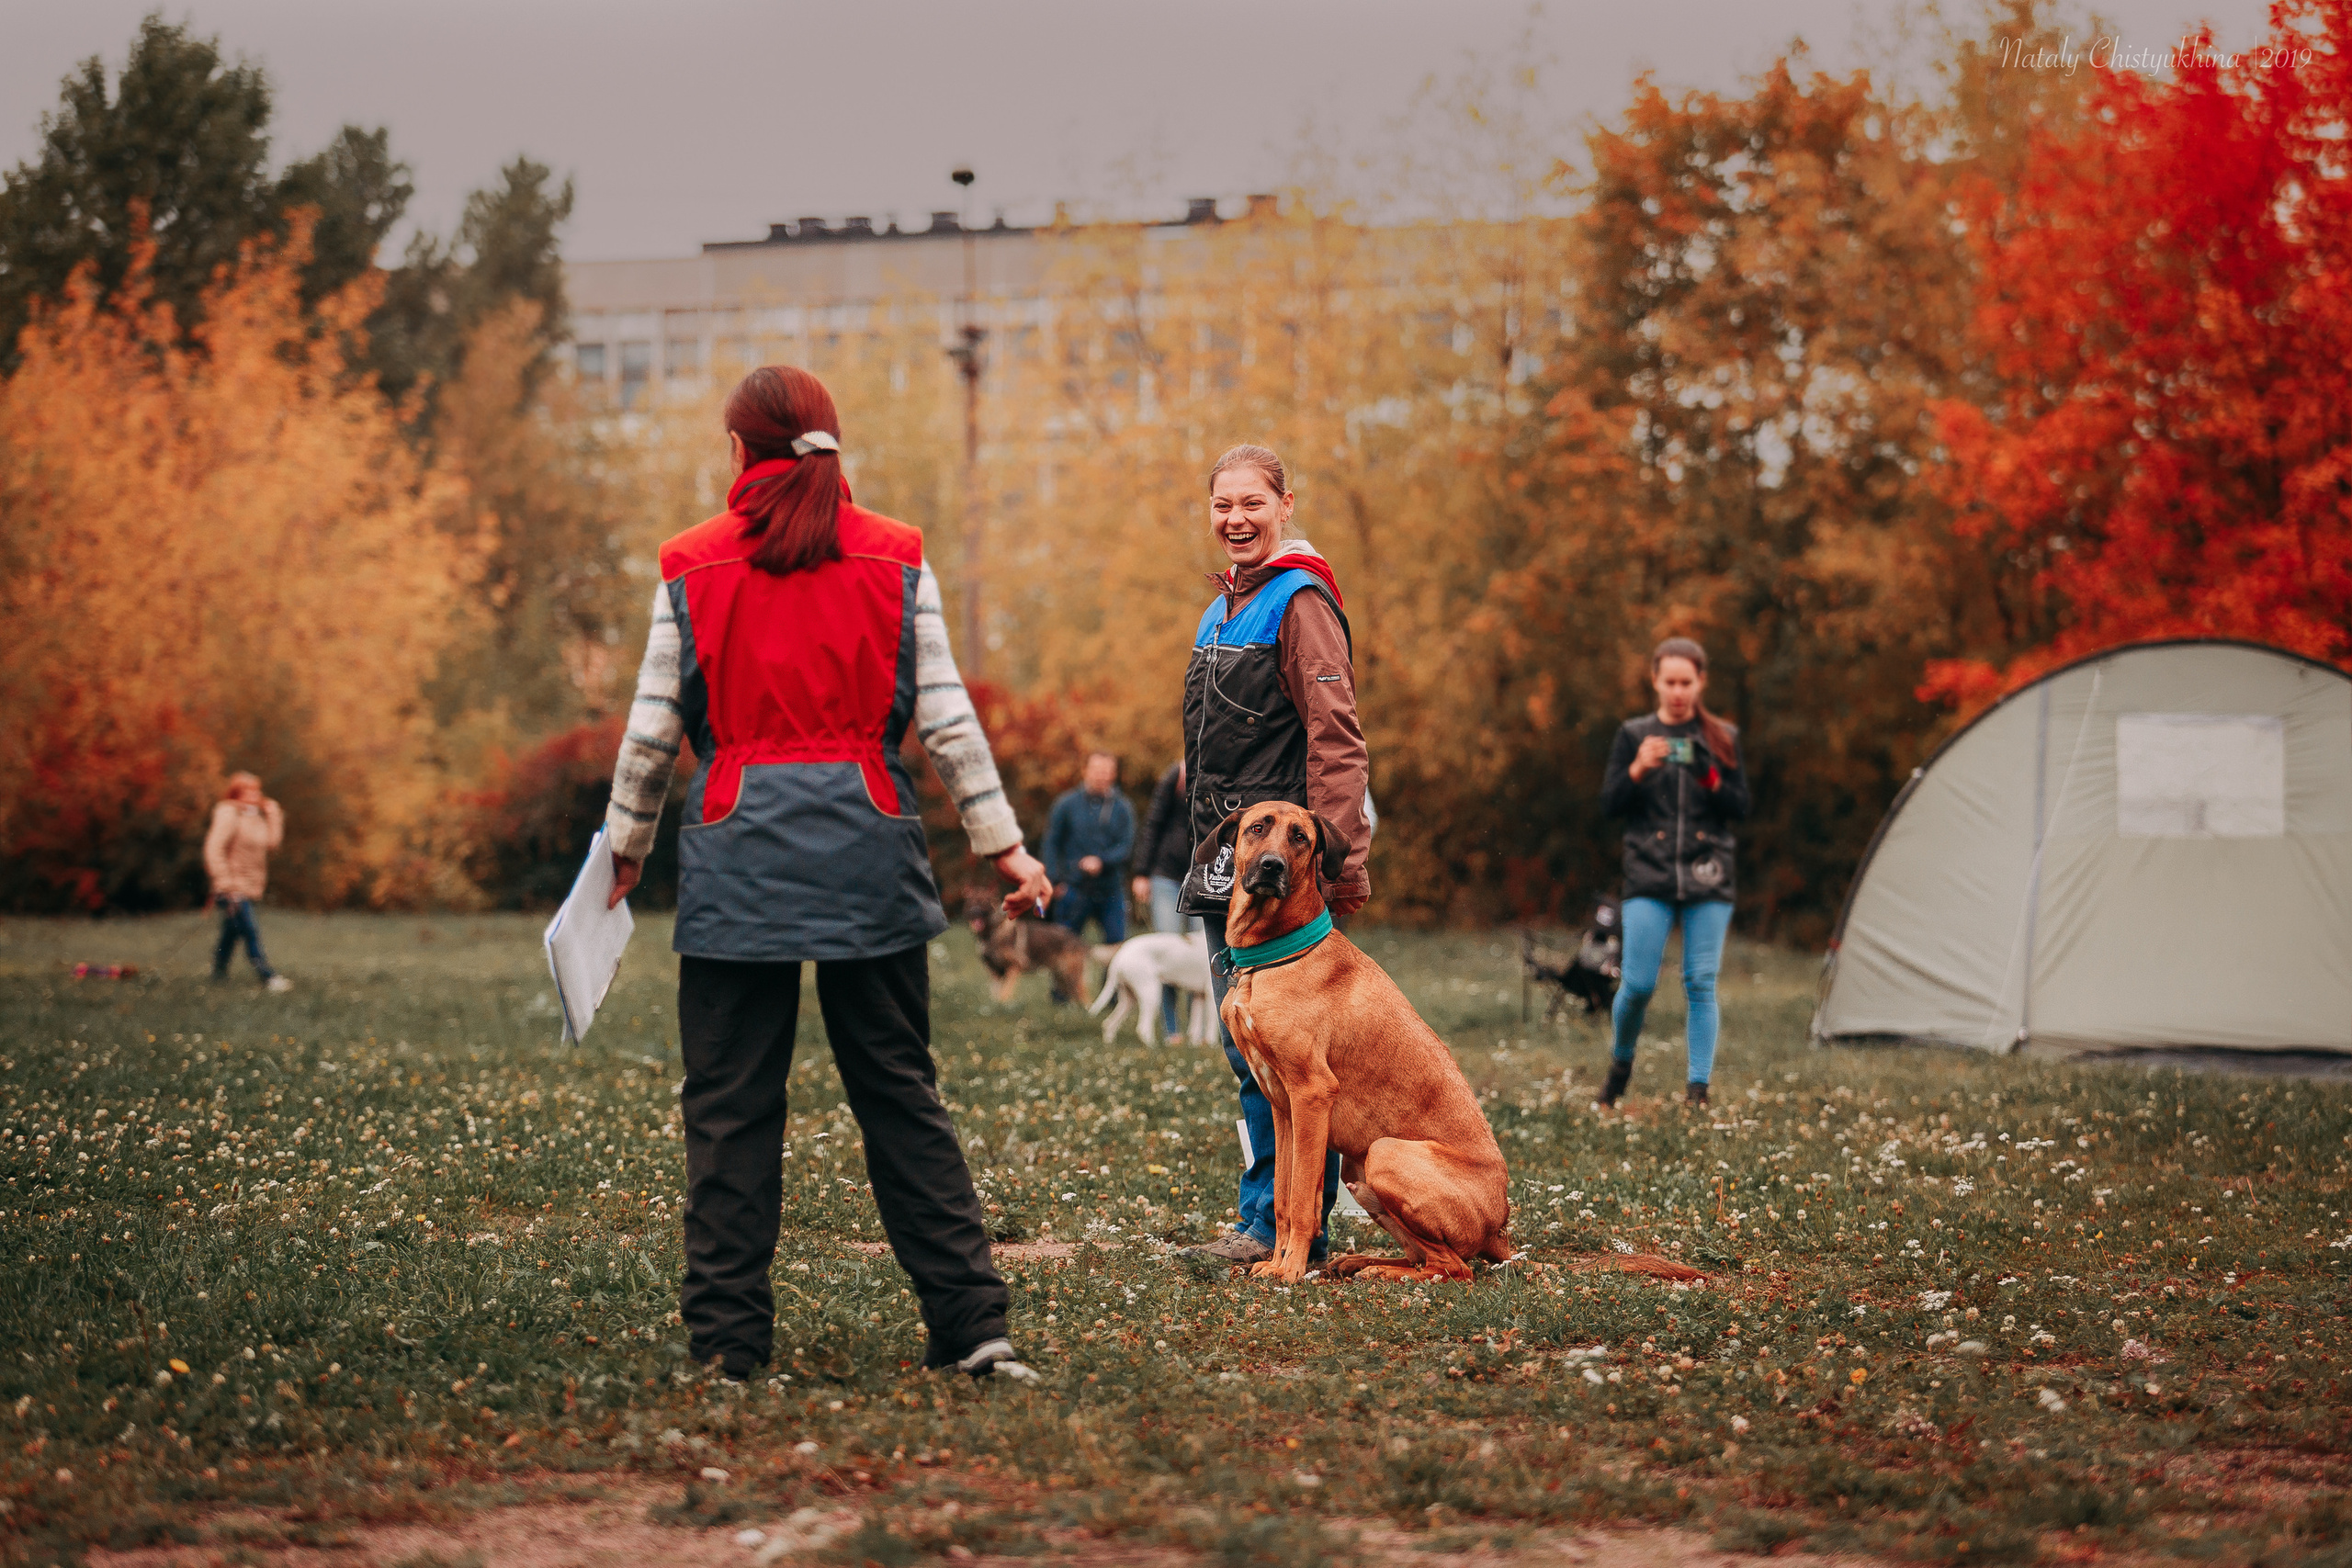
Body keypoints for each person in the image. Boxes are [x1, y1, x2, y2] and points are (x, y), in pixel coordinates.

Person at [601, 365, 1054, 1383]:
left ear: (737, 454)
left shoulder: (689, 565)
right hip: (871, 854)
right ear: (831, 448)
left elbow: (646, 740)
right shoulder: (898, 558)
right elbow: (945, 720)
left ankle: (728, 1349)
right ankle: (975, 1331)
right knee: (900, 1094)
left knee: (728, 1109)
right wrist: (1004, 846)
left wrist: (625, 850)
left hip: (735, 859)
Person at [1178, 444, 1371, 1267]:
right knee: (1245, 1043)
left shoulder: (1299, 603)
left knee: (1285, 1050)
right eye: (1223, 505)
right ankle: (1272, 1215)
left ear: (1287, 504)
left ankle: (1288, 1228)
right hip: (1223, 863)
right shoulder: (1221, 607)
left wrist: (1336, 857)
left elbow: (1336, 740)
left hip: (1279, 872)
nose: (1236, 519)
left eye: (1253, 502)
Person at [1595, 636, 1751, 1109]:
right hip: (1649, 872)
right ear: (1656, 682)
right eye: (1670, 682)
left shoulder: (1723, 738)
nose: (1679, 691)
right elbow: (1609, 805)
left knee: (1700, 981)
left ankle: (1697, 1090)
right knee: (1638, 983)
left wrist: (1710, 776)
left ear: (1701, 682)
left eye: (1687, 682)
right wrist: (1639, 768)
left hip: (1708, 873)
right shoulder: (1633, 734)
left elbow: (1740, 808)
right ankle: (1621, 1065)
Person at [1131, 759, 1201, 1037]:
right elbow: (1153, 824)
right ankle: (1172, 1030)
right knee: (1169, 953)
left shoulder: (1224, 773)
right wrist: (1141, 872)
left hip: (1203, 877)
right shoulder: (1177, 774)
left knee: (1202, 958)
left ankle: (1199, 1032)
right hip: (1167, 876)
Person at [204, 773, 291, 991]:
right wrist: (224, 883)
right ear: (237, 794)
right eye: (249, 791)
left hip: (250, 886)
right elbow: (213, 849)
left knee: (232, 932)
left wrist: (274, 815)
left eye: (257, 790)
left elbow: (272, 843)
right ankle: (268, 976)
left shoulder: (254, 816)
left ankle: (217, 974)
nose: (256, 795)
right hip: (232, 887)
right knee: (250, 930)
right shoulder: (228, 814)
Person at [1045, 751, 1135, 957]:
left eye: (1107, 772)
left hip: (1111, 890)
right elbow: (1051, 843)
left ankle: (1111, 990)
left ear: (1114, 774)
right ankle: (1063, 991)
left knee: (1117, 950)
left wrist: (1102, 861)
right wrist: (1055, 880)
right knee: (1063, 950)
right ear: (1085, 771)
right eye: (1097, 771)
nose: (1101, 776)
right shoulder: (1065, 804)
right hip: (1073, 889)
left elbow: (1126, 847)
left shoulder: (1123, 807)